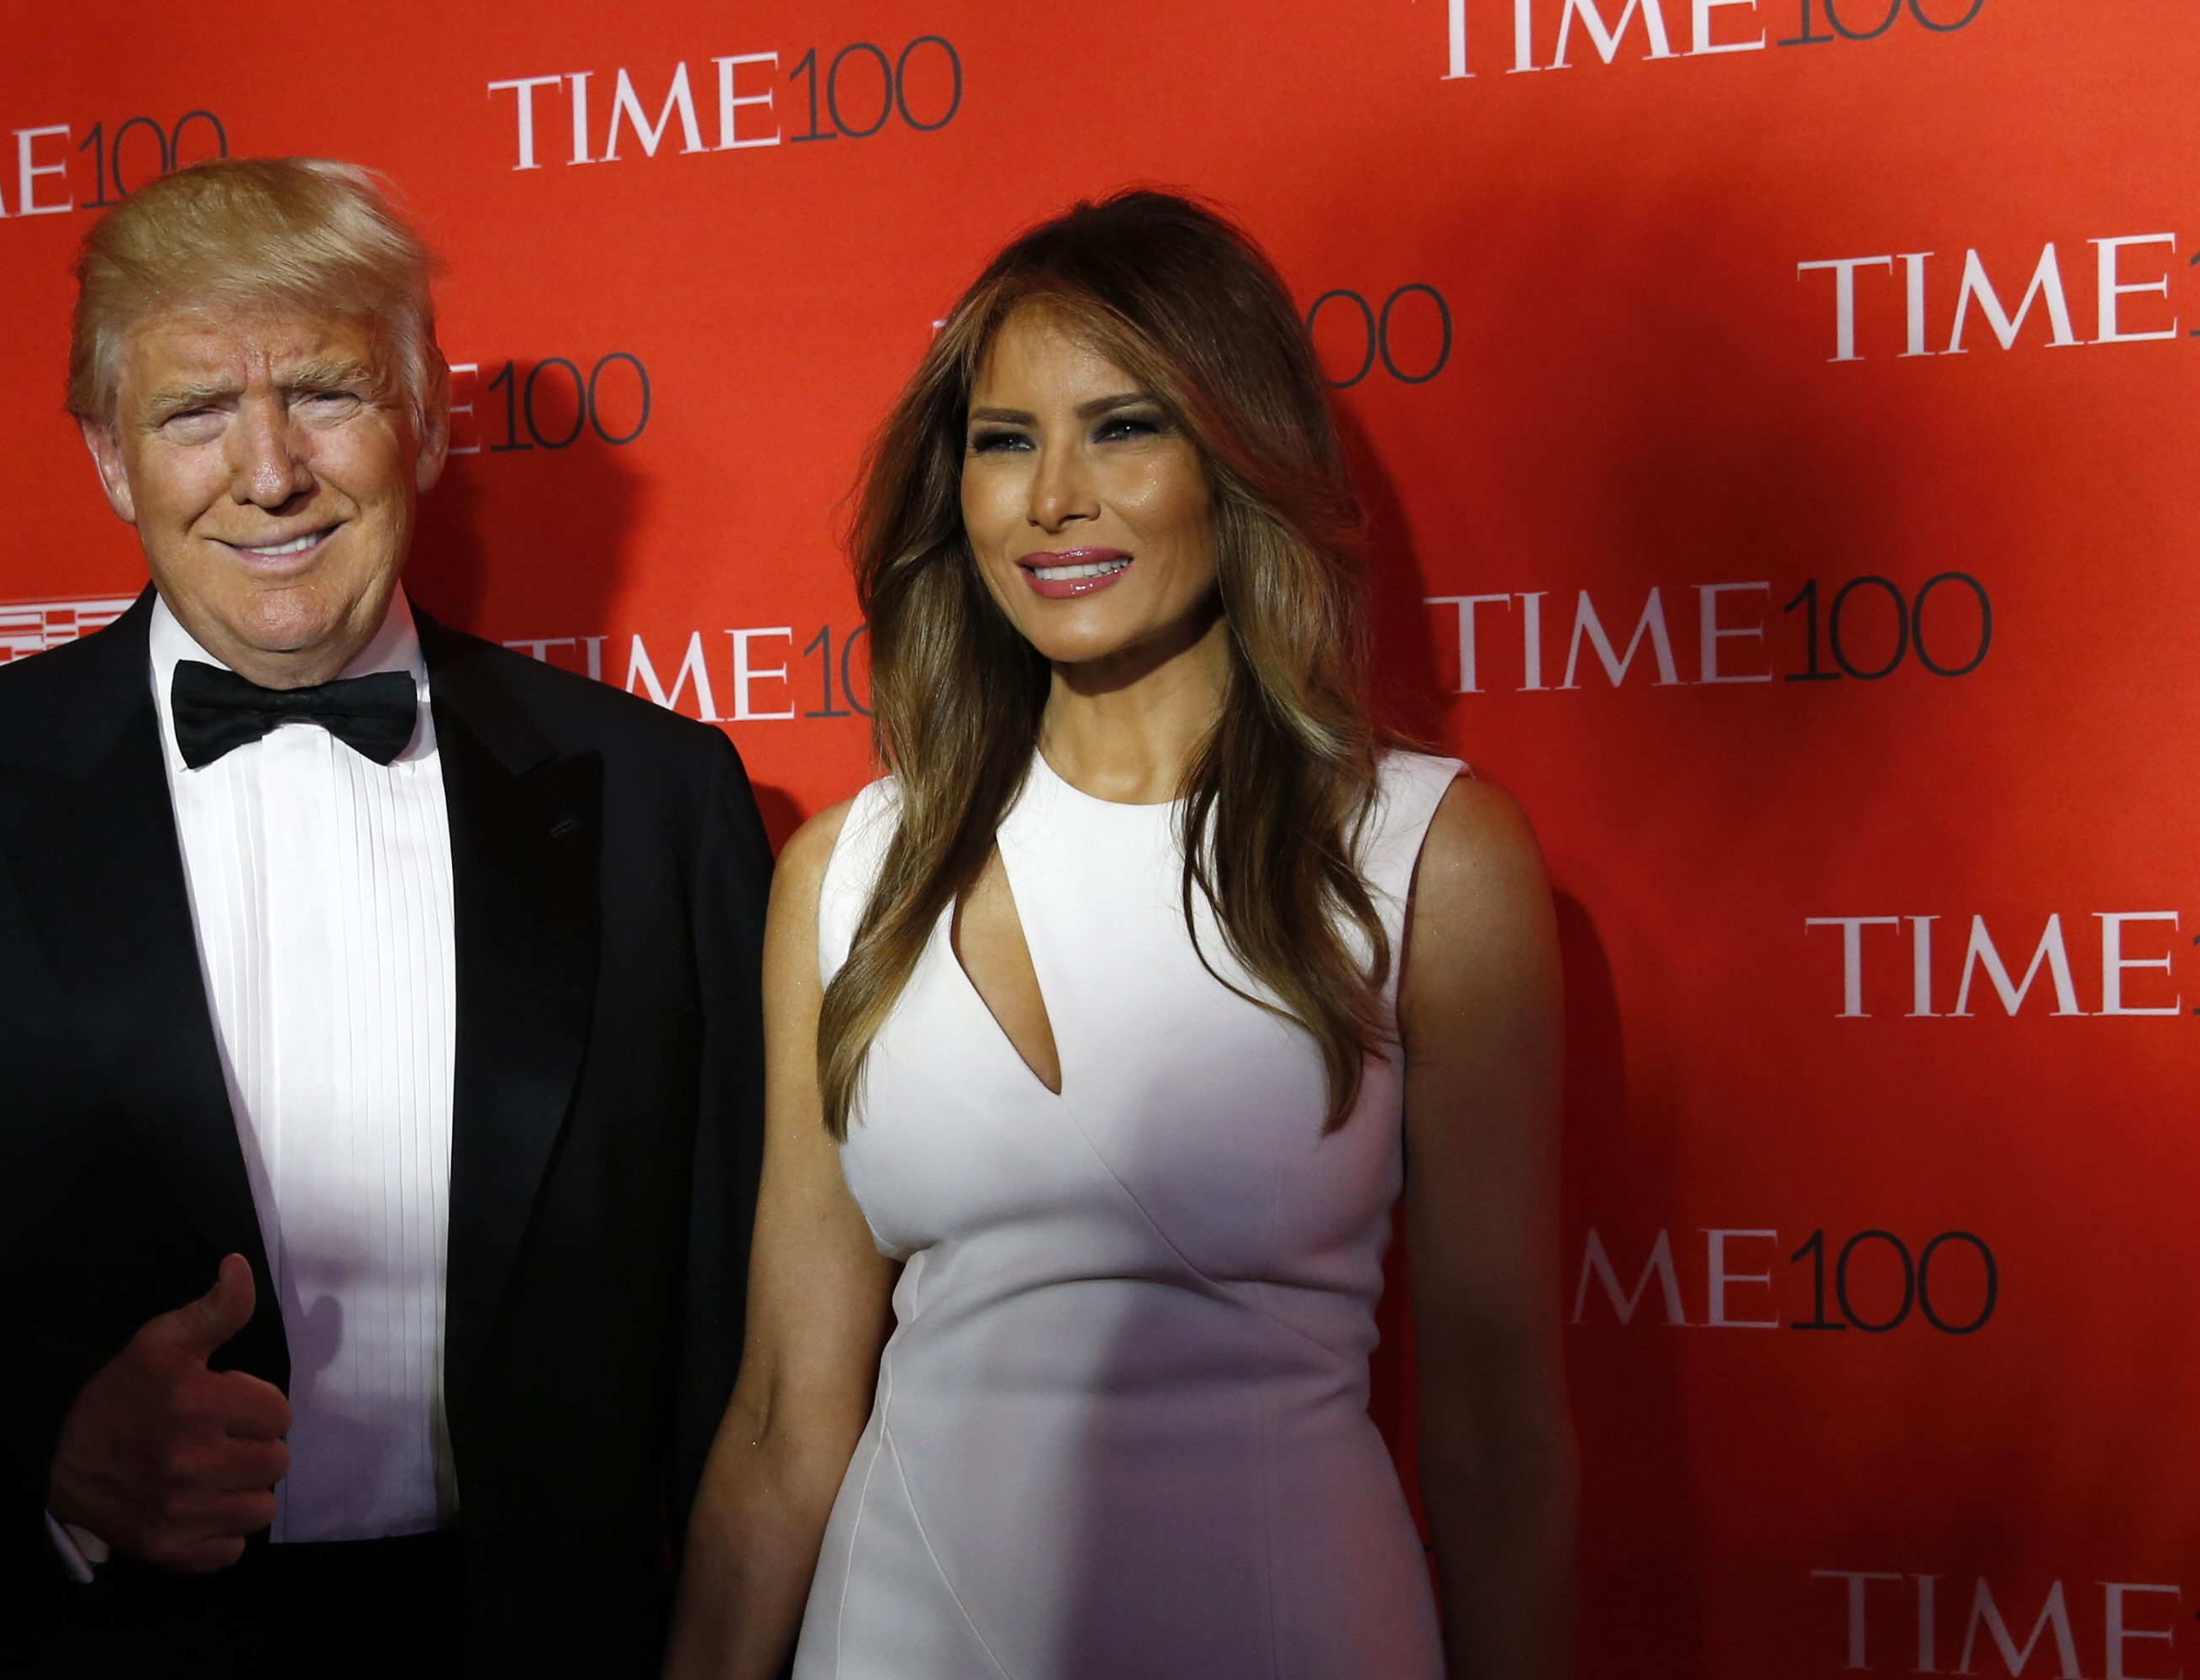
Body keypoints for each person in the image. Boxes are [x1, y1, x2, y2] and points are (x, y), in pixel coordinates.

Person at [0, 159, 771, 1674]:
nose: (268, 473)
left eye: (324, 392)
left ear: (429, 419)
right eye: (196, 413)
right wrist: (46, 1434)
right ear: (112, 459)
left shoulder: (660, 800)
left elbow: (741, 1321)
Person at [665, 192, 1577, 1679]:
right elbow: (783, 1416)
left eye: (1124, 428)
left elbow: (1494, 1433)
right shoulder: (846, 876)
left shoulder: (1425, 856)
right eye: (1004, 442)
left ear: (1239, 459)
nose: (1051, 499)